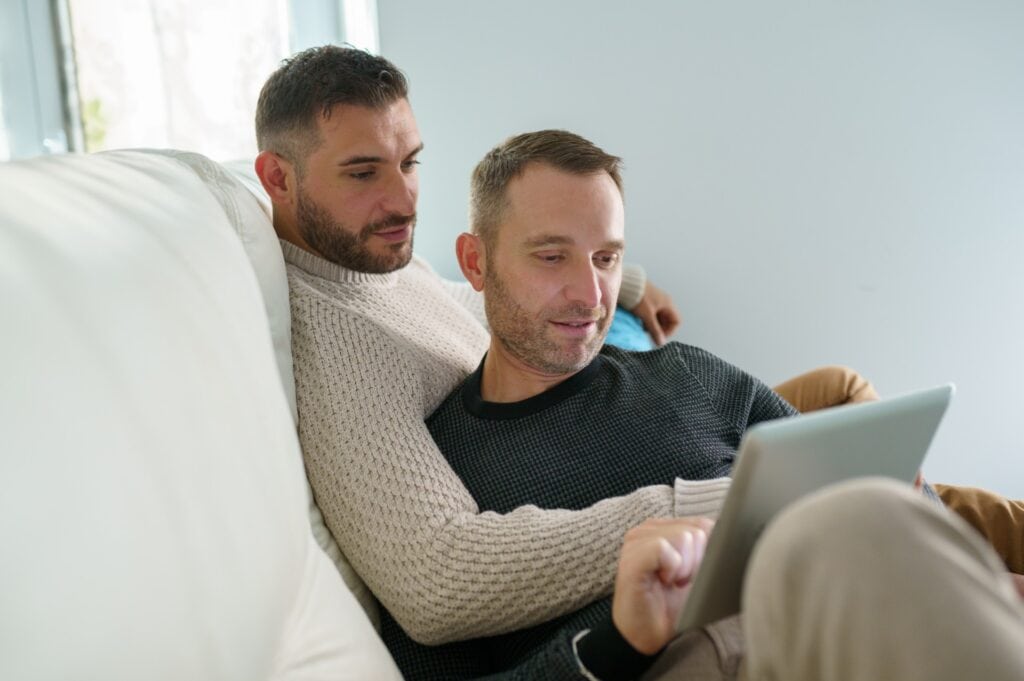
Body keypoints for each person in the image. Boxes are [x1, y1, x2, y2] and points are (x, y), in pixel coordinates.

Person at [251, 45, 1022, 674]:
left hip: (608, 414)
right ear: (277, 177)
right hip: (626, 525)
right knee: (857, 509)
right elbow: (437, 583)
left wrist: (621, 278)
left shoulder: (385, 262)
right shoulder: (330, 340)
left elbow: (490, 286)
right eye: (363, 172)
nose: (402, 199)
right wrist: (700, 508)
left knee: (865, 433)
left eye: (411, 163)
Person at [417, 128, 1023, 679]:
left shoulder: (689, 374)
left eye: (607, 258)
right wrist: (620, 640)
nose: (590, 294)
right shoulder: (444, 468)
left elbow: (859, 484)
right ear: (476, 261)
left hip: (838, 607)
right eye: (552, 257)